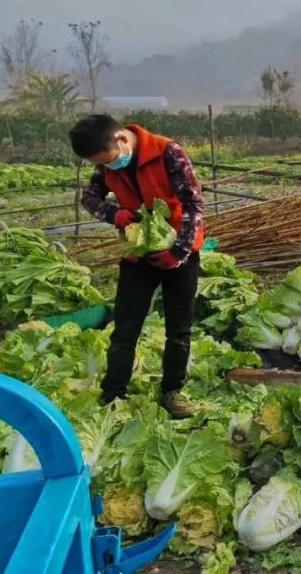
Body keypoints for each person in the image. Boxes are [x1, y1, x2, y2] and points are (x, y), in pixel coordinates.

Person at [69, 114, 205, 419]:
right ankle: (113, 394)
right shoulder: (105, 163)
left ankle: (172, 392)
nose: (108, 167)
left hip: (178, 254)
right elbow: (89, 198)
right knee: (125, 328)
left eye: (109, 160)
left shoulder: (168, 152)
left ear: (120, 139)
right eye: (101, 164)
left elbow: (194, 204)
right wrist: (112, 214)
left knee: (178, 330)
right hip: (137, 255)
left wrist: (179, 251)